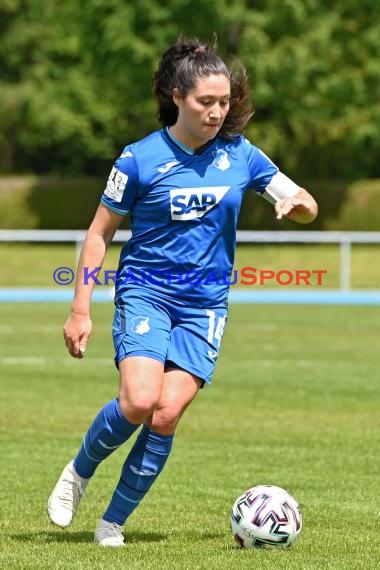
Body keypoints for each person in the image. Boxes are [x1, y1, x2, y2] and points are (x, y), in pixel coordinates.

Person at [47, 36, 318, 547]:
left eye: (224, 102)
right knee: (140, 400)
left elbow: (304, 200)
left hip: (205, 304)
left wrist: (298, 206)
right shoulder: (138, 159)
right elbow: (98, 232)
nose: (217, 112)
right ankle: (78, 474)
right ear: (178, 96)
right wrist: (79, 309)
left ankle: (113, 523)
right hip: (146, 292)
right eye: (206, 102)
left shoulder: (242, 155)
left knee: (167, 413)